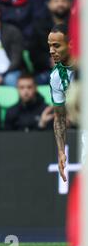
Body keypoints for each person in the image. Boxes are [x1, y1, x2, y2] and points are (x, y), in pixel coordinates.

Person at [48, 24, 75, 183]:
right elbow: (59, 118)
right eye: (50, 46)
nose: (51, 51)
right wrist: (61, 151)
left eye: (56, 45)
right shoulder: (57, 77)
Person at [30, 0, 71, 85]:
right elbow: (33, 52)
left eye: (63, 1)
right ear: (49, 4)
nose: (60, 4)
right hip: (47, 70)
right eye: (56, 1)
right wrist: (49, 61)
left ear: (69, 3)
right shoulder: (39, 25)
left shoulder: (78, 24)